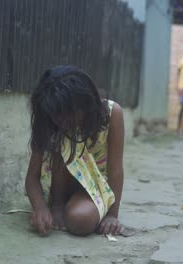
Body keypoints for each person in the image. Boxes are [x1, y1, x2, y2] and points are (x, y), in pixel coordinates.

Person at [25, 65, 125, 237]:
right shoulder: (48, 117)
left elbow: (115, 170)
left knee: (80, 221)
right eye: (56, 116)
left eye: (66, 115)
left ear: (85, 104)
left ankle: (80, 207)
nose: (60, 121)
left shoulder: (112, 113)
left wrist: (112, 215)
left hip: (92, 188)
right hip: (57, 189)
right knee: (63, 141)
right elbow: (31, 178)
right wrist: (41, 208)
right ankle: (58, 204)